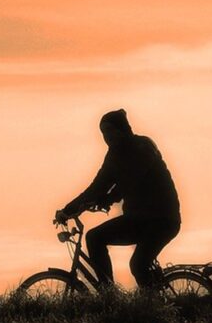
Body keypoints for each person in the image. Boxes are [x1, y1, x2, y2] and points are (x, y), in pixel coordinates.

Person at [54, 108, 181, 289]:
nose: (106, 137)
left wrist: (107, 199)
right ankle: (109, 295)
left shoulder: (143, 146)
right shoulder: (113, 155)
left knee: (138, 265)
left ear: (122, 129)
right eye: (103, 133)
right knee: (94, 238)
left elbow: (132, 179)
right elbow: (97, 186)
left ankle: (156, 306)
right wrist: (68, 210)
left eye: (109, 131)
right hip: (137, 219)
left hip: (162, 219)